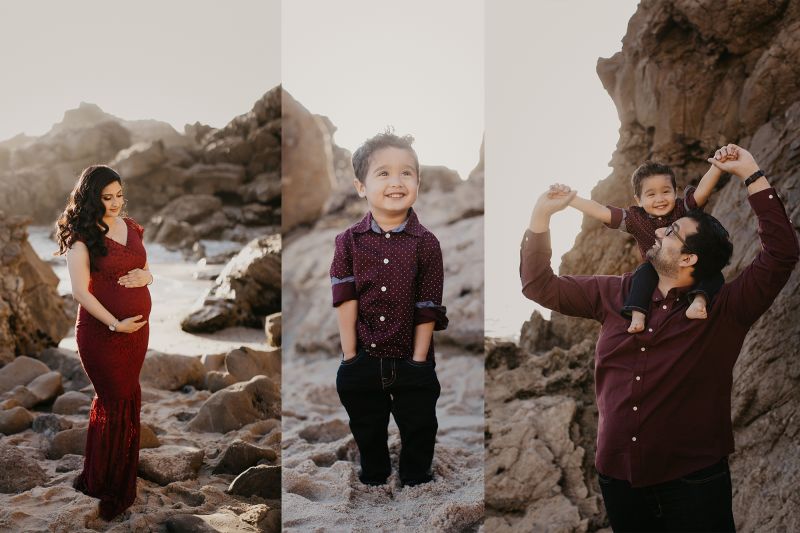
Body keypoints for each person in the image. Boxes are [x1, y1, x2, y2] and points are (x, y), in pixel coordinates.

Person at [520, 144, 798, 531]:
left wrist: (751, 172)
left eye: (673, 231)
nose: (662, 228)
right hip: (617, 481)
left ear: (688, 259)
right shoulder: (613, 292)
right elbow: (540, 286)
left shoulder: (726, 310)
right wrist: (540, 217)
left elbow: (781, 254)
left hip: (695, 484)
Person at [330, 130, 448, 487]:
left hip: (412, 358)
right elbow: (344, 298)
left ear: (418, 182)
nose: (396, 182)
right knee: (367, 426)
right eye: (383, 173)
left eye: (406, 173)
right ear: (361, 186)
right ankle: (375, 471)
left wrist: (417, 361)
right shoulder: (348, 241)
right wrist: (350, 356)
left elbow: (428, 306)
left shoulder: (426, 244)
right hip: (364, 354)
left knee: (420, 425)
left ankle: (415, 474)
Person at [55, 165, 152, 520]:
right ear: (91, 198)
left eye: (119, 195)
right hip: (101, 334)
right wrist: (115, 324)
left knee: (128, 397)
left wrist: (150, 276)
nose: (115, 204)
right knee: (112, 399)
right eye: (106, 197)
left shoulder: (133, 227)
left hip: (137, 332)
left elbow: (143, 268)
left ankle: (116, 470)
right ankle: (106, 480)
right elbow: (80, 291)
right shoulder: (81, 237)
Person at [561, 158, 729, 333]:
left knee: (713, 274)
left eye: (666, 191)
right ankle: (638, 314)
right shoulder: (636, 219)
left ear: (675, 191)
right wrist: (571, 200)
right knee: (642, 274)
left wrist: (716, 166)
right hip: (657, 267)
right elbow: (602, 212)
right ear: (638, 200)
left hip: (688, 261)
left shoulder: (682, 208)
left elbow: (702, 193)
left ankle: (699, 301)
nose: (660, 199)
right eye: (651, 194)